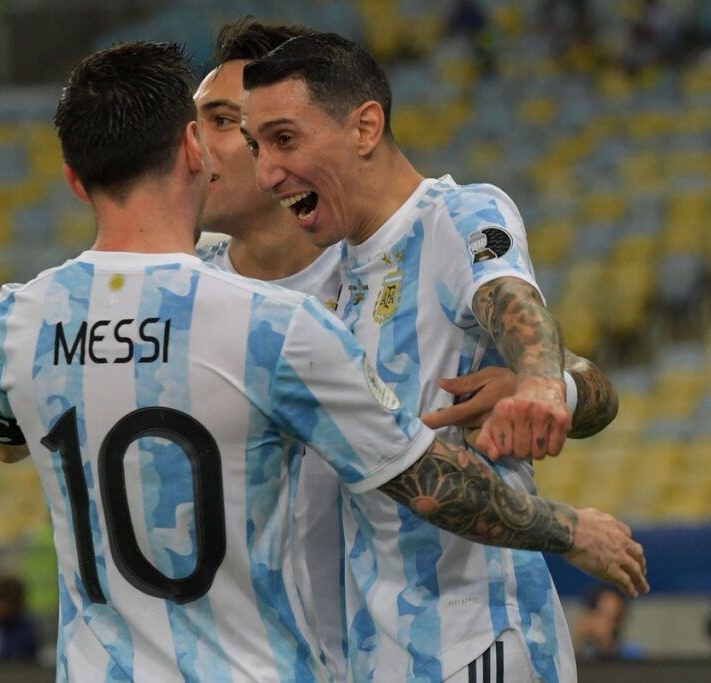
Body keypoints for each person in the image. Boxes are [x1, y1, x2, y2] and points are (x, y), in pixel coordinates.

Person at [0, 37, 646, 683]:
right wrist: (570, 526)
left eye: (270, 131)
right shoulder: (262, 318)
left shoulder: (36, 315)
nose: (260, 155)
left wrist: (547, 383)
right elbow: (418, 470)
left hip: (443, 641)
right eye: (233, 127)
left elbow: (538, 337)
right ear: (194, 153)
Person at [240, 31, 622, 681]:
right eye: (255, 147)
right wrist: (556, 383)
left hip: (478, 639)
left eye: (284, 139)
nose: (266, 171)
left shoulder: (453, 217)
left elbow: (514, 302)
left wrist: (537, 383)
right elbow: (595, 385)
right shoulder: (331, 271)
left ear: (365, 127)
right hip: (374, 648)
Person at [573, 584, 643, 661]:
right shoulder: (580, 653)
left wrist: (606, 646)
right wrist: (580, 641)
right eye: (602, 614)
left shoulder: (633, 655)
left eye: (613, 618)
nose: (608, 625)